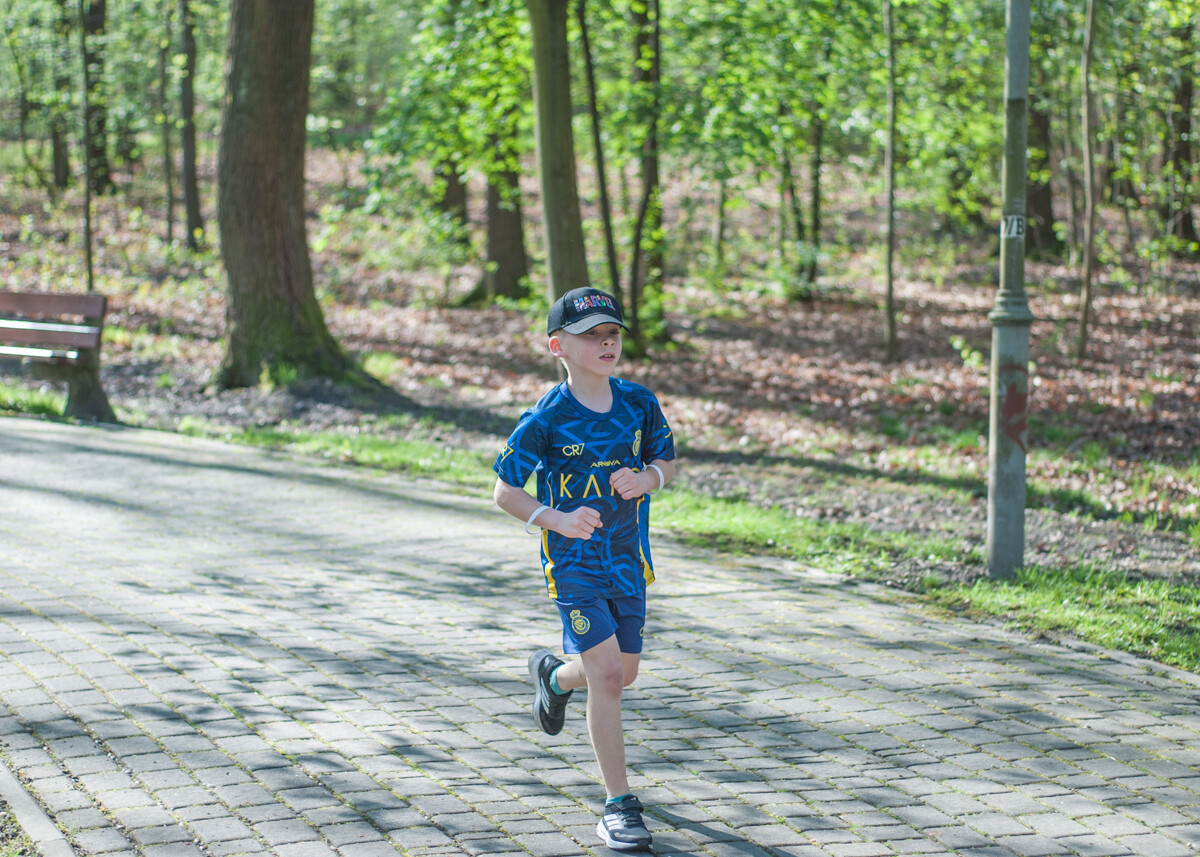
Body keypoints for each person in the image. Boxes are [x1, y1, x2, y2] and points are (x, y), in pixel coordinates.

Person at [493, 287, 675, 851]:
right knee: (608, 677)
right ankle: (619, 805)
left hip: (628, 560)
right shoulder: (546, 417)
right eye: (591, 335)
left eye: (612, 334)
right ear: (558, 346)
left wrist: (648, 480)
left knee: (623, 672)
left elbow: (665, 459)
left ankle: (552, 677)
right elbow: (505, 492)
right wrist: (556, 519)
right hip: (573, 564)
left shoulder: (639, 402)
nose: (606, 343)